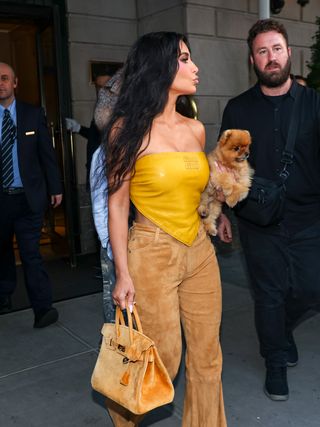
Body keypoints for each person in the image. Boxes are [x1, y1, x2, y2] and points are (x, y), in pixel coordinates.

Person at [101, 32, 227, 426]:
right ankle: (123, 418)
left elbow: (196, 189)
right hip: (151, 251)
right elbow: (117, 204)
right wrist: (122, 273)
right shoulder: (126, 130)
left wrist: (218, 183)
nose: (195, 68)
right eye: (185, 59)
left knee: (208, 357)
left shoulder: (196, 129)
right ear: (160, 68)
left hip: (199, 250)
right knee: (161, 358)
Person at [218, 19, 320, 401]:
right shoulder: (238, 109)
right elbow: (227, 168)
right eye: (262, 51)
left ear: (289, 53)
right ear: (252, 60)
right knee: (269, 295)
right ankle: (275, 361)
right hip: (258, 221)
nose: (271, 57)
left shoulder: (314, 104)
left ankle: (280, 331)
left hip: (310, 218)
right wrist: (222, 213)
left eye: (276, 48)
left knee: (312, 288)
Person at [0, 62, 63, 328]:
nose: (0, 83)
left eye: (4, 78)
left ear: (15, 83)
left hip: (29, 198)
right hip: (1, 201)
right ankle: (4, 296)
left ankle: (43, 308)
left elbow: (46, 154)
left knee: (30, 254)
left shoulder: (32, 114)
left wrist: (56, 187)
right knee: (1, 252)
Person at [65, 70, 112, 189]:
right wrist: (79, 128)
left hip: (108, 177)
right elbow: (96, 136)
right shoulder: (101, 106)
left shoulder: (118, 109)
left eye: (104, 86)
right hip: (95, 174)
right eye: (98, 87)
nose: (101, 91)